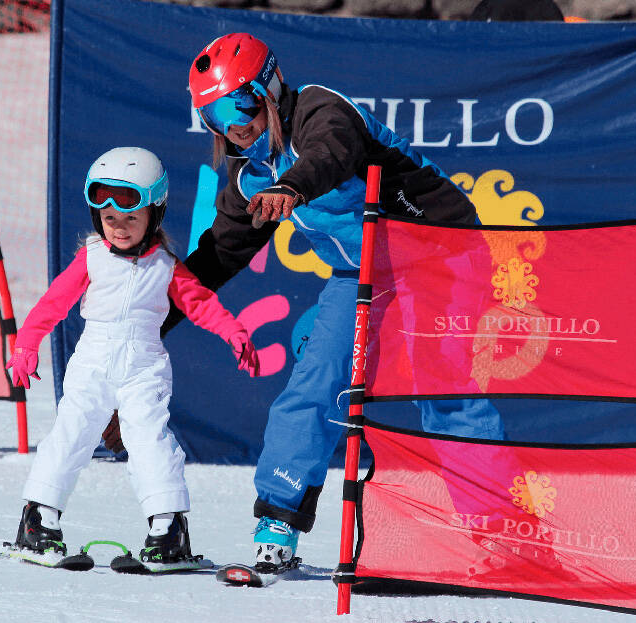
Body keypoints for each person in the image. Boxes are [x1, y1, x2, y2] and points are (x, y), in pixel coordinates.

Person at [177, 33, 507, 568]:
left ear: (269, 88)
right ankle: (278, 521)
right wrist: (150, 312)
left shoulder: (319, 110)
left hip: (438, 251)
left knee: (440, 385)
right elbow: (219, 256)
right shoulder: (247, 172)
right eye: (213, 117)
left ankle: (497, 529)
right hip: (360, 273)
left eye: (238, 105)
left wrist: (293, 188)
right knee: (315, 383)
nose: (233, 127)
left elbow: (331, 153)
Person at [5, 146, 260, 569]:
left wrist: (232, 331)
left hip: (144, 365)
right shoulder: (92, 257)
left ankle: (167, 529)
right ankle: (39, 519)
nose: (119, 229)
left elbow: (200, 303)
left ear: (153, 215)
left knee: (149, 440)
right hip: (93, 360)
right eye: (110, 220)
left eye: (130, 218)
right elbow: (53, 303)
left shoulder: (166, 266)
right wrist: (26, 345)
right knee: (72, 432)